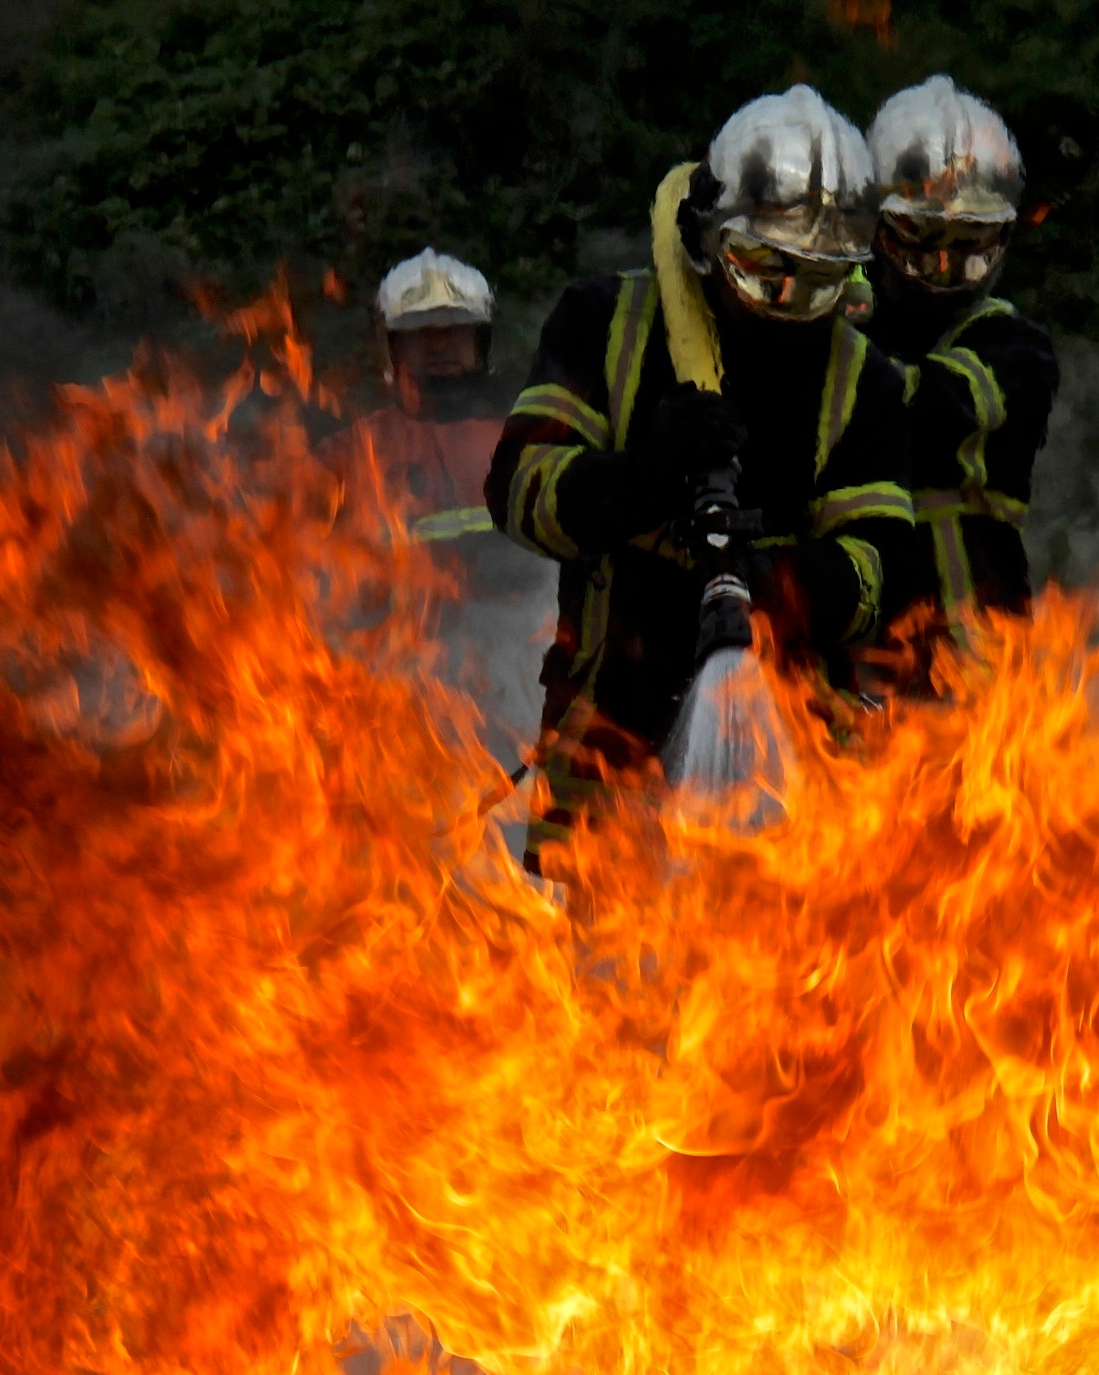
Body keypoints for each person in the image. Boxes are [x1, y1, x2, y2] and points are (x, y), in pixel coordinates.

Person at [488, 86, 915, 870]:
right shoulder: (602, 323)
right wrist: (643, 475)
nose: (790, 307)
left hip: (788, 779)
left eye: (819, 281)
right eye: (764, 272)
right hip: (604, 755)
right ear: (707, 242)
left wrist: (766, 583)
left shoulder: (866, 384)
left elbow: (879, 573)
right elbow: (518, 492)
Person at [323, 250, 554, 760]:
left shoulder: (530, 444)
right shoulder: (348, 456)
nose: (440, 345)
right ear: (392, 348)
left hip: (521, 690)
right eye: (421, 333)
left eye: (454, 330)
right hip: (396, 703)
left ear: (481, 340)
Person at [861, 76, 1059, 655]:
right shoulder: (846, 328)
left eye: (970, 243)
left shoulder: (1016, 349)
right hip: (852, 671)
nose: (945, 267)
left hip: (977, 679)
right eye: (922, 239)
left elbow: (919, 411)